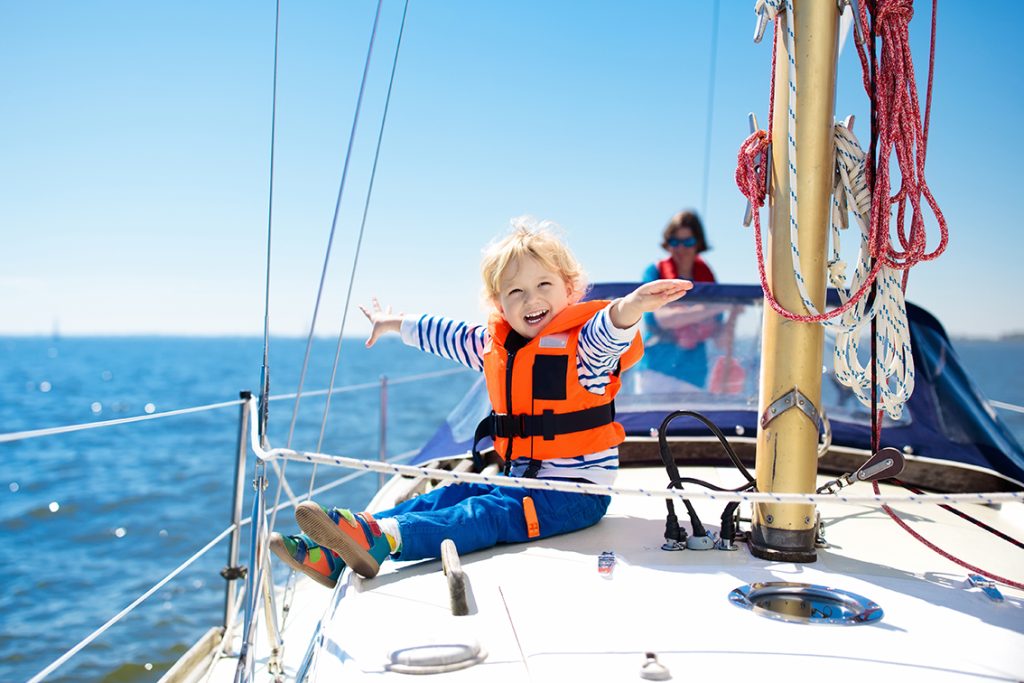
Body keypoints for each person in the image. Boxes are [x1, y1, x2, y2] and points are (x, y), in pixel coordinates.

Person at [269, 218, 693, 587]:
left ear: (569, 290)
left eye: (544, 285)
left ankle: (388, 538)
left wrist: (634, 305)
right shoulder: (495, 344)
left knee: (483, 514)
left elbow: (611, 328)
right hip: (520, 477)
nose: (531, 299)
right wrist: (394, 323)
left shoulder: (585, 352)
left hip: (574, 494)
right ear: (500, 304)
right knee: (448, 494)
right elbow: (445, 333)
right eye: (516, 292)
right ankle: (340, 550)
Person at [638, 210, 721, 390]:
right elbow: (662, 318)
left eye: (688, 242)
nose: (681, 248)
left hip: (695, 374)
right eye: (674, 242)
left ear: (698, 244)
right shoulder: (654, 272)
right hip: (655, 372)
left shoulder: (707, 277)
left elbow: (719, 332)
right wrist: (710, 309)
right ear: (667, 244)